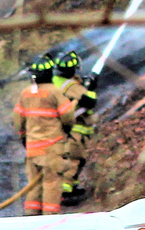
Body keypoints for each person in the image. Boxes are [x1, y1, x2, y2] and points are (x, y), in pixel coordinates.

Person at [14, 56, 77, 216]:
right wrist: (67, 129)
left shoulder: (26, 93)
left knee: (34, 186)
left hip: (32, 148)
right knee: (51, 183)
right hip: (51, 147)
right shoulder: (55, 92)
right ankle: (49, 222)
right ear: (49, 73)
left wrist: (24, 138)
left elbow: (18, 120)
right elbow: (68, 116)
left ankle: (30, 218)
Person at [52, 50, 98, 207]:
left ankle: (70, 189)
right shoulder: (71, 85)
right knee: (74, 160)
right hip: (75, 130)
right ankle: (65, 194)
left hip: (61, 129)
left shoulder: (55, 81)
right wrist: (91, 86)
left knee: (68, 159)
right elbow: (89, 101)